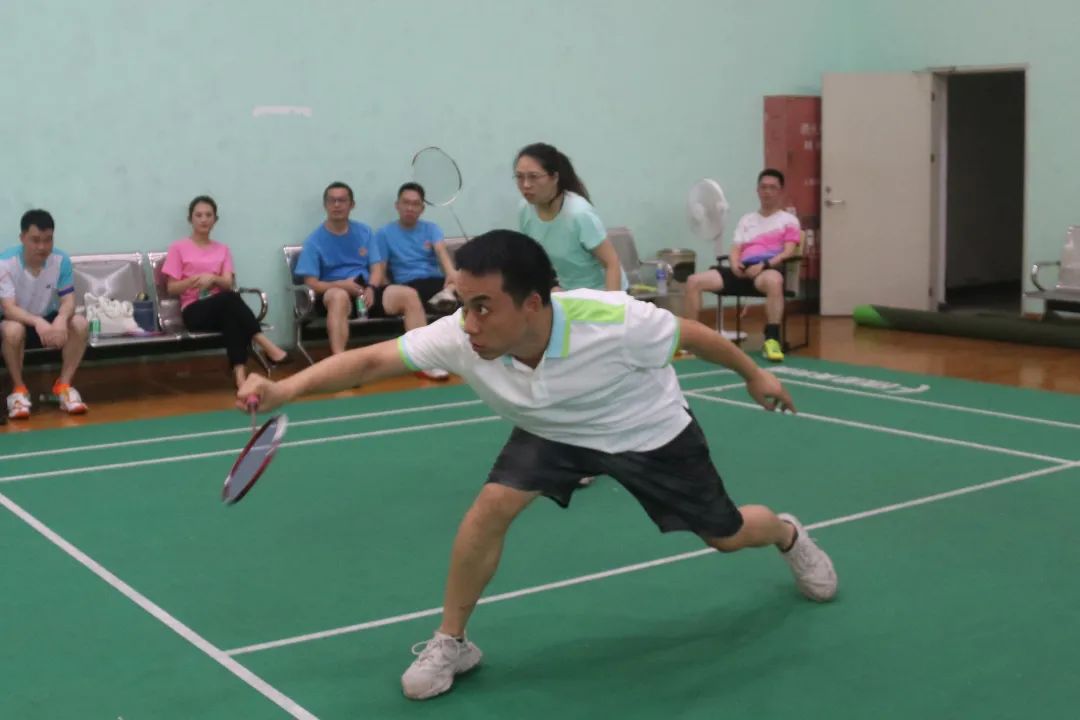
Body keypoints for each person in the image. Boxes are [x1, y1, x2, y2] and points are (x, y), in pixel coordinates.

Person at [237, 230, 838, 701]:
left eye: (484, 307)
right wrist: (285, 389)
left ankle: (786, 534)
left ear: (532, 303)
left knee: (725, 535)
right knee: (490, 508)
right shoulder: (461, 334)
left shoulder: (613, 320)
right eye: (464, 305)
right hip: (555, 430)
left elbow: (695, 335)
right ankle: (452, 642)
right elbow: (370, 363)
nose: (470, 323)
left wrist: (754, 374)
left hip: (646, 430)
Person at [295, 182, 448, 380]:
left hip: (366, 290)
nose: (337, 205)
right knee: (338, 296)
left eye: (342, 200)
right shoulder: (314, 241)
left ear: (352, 205)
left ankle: (423, 360)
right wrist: (341, 285)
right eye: (332, 201)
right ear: (325, 205)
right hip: (333, 291)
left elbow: (376, 268)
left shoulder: (364, 232)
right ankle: (340, 366)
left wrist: (372, 287)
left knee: (408, 294)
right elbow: (311, 283)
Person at [162, 196, 290, 389]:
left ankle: (240, 376)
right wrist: (195, 280)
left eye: (208, 215)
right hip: (194, 310)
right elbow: (171, 288)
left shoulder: (223, 249)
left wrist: (213, 279)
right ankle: (264, 343)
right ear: (190, 219)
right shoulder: (178, 248)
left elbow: (228, 283)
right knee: (229, 299)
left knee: (232, 316)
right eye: (198, 215)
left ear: (215, 219)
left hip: (222, 307)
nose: (204, 219)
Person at [683, 169, 800, 362]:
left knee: (774, 281)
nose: (767, 192)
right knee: (693, 281)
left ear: (780, 191)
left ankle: (772, 339)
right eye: (763, 187)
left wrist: (764, 265)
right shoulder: (747, 219)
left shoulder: (789, 221)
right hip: (741, 269)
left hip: (766, 271)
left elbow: (788, 252)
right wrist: (734, 264)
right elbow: (736, 248)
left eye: (772, 188)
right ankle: (691, 339)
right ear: (757, 190)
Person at [0, 209, 89, 419]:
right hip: (17, 319)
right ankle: (19, 391)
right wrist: (37, 322)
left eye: (48, 240)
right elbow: (9, 308)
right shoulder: (5, 263)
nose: (42, 247)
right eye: (35, 240)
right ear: (22, 238)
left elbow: (68, 301)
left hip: (48, 318)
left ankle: (64, 387)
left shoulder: (61, 260)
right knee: (12, 330)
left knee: (79, 323)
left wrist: (60, 319)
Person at [515, 142, 627, 292]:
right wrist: (551, 286)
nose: (526, 185)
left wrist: (612, 303)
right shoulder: (525, 209)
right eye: (519, 177)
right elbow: (533, 258)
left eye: (533, 177)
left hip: (602, 293)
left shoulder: (579, 214)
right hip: (569, 295)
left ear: (555, 177)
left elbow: (611, 263)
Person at [375, 182, 457, 309]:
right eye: (406, 203)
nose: (410, 208)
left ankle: (447, 294)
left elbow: (442, 253)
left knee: (466, 284)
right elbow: (380, 272)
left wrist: (452, 275)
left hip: (435, 281)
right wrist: (390, 290)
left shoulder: (432, 229)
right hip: (408, 284)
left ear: (422, 208)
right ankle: (444, 297)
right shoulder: (384, 233)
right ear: (397, 205)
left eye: (415, 204)